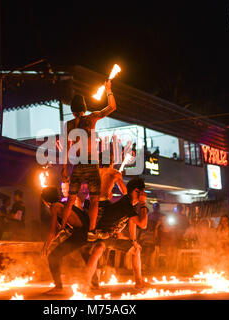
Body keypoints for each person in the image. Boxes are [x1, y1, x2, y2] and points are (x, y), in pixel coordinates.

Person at [61, 80, 117, 241]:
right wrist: (108, 90)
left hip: (77, 164)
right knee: (94, 199)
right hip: (91, 163)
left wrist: (64, 168)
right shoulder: (91, 118)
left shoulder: (69, 124)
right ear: (85, 109)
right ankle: (91, 231)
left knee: (71, 199)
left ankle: (63, 227)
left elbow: (66, 148)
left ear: (72, 111)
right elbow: (112, 107)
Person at [83, 178, 149, 290]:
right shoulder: (126, 203)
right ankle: (85, 282)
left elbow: (132, 221)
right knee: (98, 249)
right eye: (142, 192)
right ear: (136, 191)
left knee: (136, 250)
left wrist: (134, 241)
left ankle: (139, 282)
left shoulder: (130, 204)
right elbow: (143, 225)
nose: (144, 195)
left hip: (112, 237)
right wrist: (143, 203)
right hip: (102, 235)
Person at [40, 186, 96, 295]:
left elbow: (52, 231)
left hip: (80, 234)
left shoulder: (55, 206)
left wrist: (46, 246)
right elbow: (57, 232)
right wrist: (49, 243)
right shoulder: (63, 205)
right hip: (86, 233)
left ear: (46, 200)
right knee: (85, 253)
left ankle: (58, 287)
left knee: (53, 256)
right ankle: (95, 282)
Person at [139, 203, 161, 271]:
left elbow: (155, 238)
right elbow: (141, 239)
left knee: (148, 250)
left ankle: (145, 265)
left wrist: (156, 227)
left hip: (150, 245)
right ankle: (140, 265)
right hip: (144, 244)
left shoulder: (154, 231)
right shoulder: (150, 216)